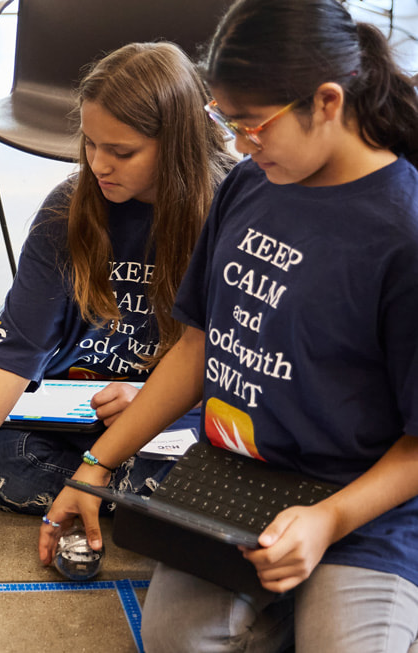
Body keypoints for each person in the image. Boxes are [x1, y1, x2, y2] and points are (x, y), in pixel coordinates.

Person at [39, 1, 418, 650]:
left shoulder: (402, 232)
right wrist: (97, 466)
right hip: (235, 475)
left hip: (363, 504)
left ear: (327, 102)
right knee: (176, 641)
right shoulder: (249, 186)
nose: (240, 142)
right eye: (228, 119)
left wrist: (326, 520)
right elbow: (196, 346)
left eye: (254, 123)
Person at [0, 43, 234, 526]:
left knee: (206, 467)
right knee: (0, 468)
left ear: (177, 142)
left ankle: (99, 489)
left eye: (122, 152)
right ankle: (118, 498)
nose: (99, 165)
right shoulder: (70, 206)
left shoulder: (230, 209)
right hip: (78, 411)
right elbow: (16, 349)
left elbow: (236, 363)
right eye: (91, 144)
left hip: (174, 414)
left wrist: (151, 407)